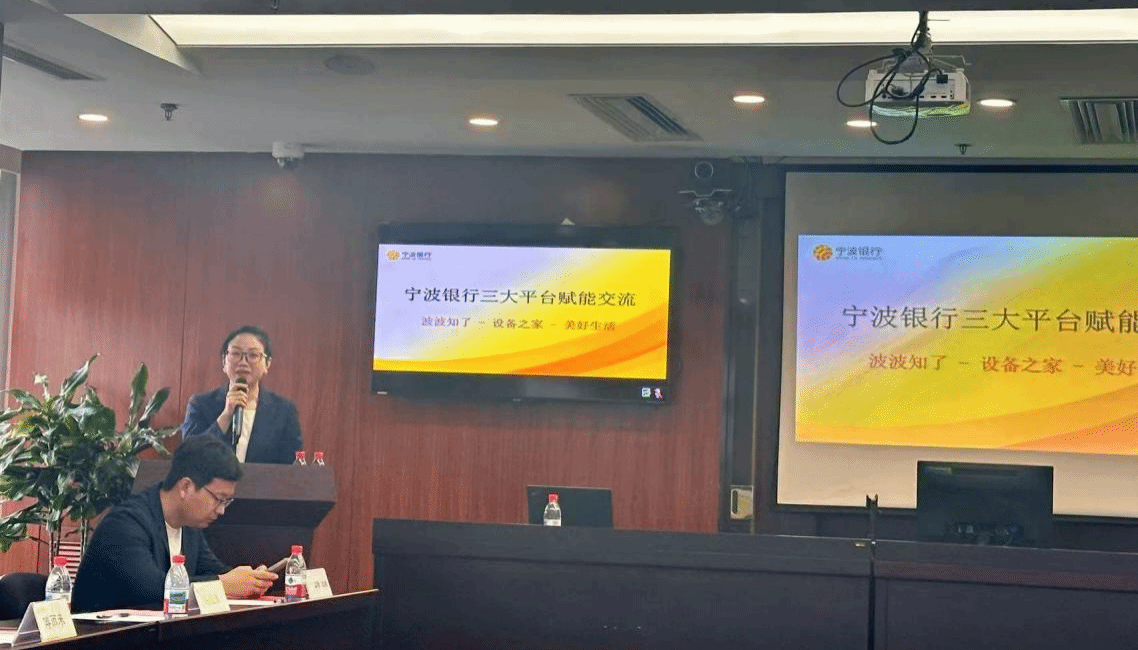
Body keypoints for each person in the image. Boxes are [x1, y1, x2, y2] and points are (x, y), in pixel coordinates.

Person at [72, 436, 278, 613]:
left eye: (226, 501)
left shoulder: (189, 528)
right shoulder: (125, 524)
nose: (221, 510)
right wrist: (223, 584)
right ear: (185, 486)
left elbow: (213, 572)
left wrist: (250, 581)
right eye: (218, 499)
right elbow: (151, 589)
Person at [181, 325, 302, 464]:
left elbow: (291, 467)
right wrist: (226, 415)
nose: (243, 362)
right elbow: (189, 456)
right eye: (236, 354)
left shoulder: (284, 412)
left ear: (267, 364)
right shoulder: (200, 404)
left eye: (253, 355)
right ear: (224, 361)